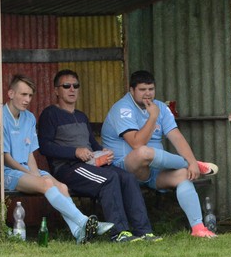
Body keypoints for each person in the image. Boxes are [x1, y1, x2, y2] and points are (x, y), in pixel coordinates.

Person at [38, 69, 162, 243]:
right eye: (66, 86)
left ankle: (144, 231)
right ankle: (119, 233)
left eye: (75, 86)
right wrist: (74, 152)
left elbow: (92, 144)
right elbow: (45, 147)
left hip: (91, 164)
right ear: (56, 90)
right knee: (109, 178)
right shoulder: (50, 114)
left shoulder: (81, 116)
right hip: (68, 168)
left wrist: (103, 151)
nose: (72, 89)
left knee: (127, 177)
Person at [0, 74, 113, 244]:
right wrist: (32, 175)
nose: (27, 100)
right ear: (10, 93)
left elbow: (30, 154)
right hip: (7, 172)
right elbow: (6, 158)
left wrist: (34, 173)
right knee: (46, 183)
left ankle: (78, 232)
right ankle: (85, 222)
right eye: (23, 94)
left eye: (30, 95)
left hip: (26, 170)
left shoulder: (29, 118)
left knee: (62, 187)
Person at [101, 70, 219, 238]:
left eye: (151, 89)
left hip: (152, 171)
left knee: (184, 175)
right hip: (124, 169)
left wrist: (191, 161)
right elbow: (136, 143)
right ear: (131, 90)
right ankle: (188, 163)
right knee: (143, 152)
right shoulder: (122, 108)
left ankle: (198, 228)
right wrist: (153, 117)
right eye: (142, 89)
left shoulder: (161, 107)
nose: (147, 93)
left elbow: (177, 137)